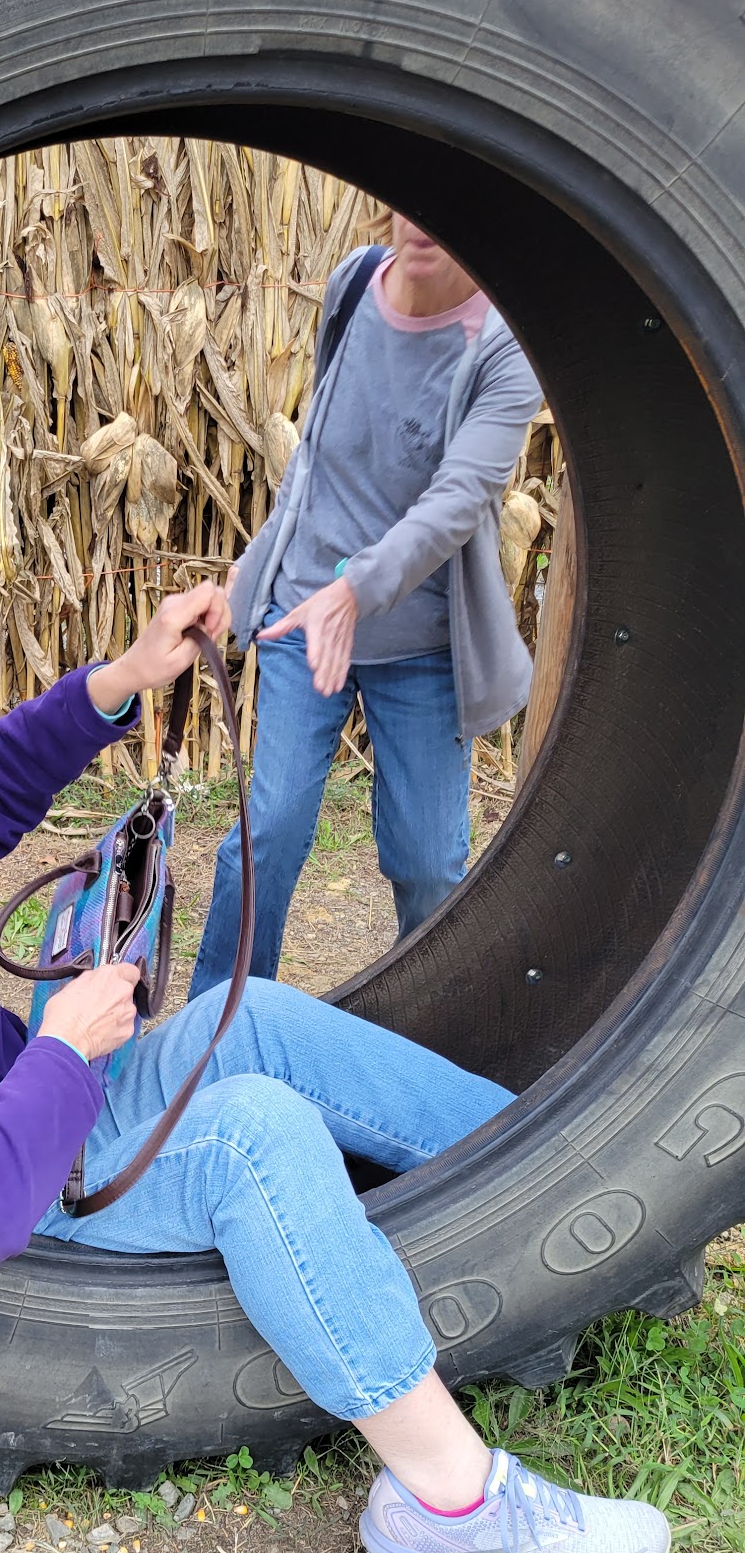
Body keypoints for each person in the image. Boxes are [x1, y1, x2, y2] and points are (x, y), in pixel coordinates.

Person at [0, 584, 668, 1553]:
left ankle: (540, 1165)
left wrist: (130, 673)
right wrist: (61, 1046)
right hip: (39, 1189)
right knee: (251, 1134)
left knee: (259, 1018)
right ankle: (455, 1505)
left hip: (48, 1107)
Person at [189, 213, 544, 997]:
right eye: (408, 198)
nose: (424, 222)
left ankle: (426, 1027)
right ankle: (217, 1028)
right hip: (300, 616)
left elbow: (458, 503)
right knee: (270, 831)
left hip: (420, 644)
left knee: (428, 863)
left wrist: (356, 588)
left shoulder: (505, 349)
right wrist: (243, 589)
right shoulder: (352, 283)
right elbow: (314, 465)